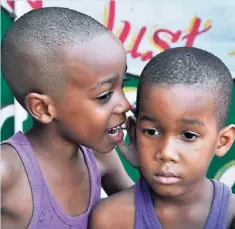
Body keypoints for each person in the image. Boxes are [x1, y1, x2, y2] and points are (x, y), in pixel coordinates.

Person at [0, 7, 138, 229]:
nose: (125, 104)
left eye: (122, 86)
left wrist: (149, 167)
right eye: (104, 96)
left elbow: (149, 217)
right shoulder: (7, 171)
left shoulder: (98, 157)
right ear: (43, 108)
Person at [89, 47, 235, 229]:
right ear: (133, 131)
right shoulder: (111, 219)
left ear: (223, 141)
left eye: (188, 136)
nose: (166, 153)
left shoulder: (231, 215)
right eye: (151, 132)